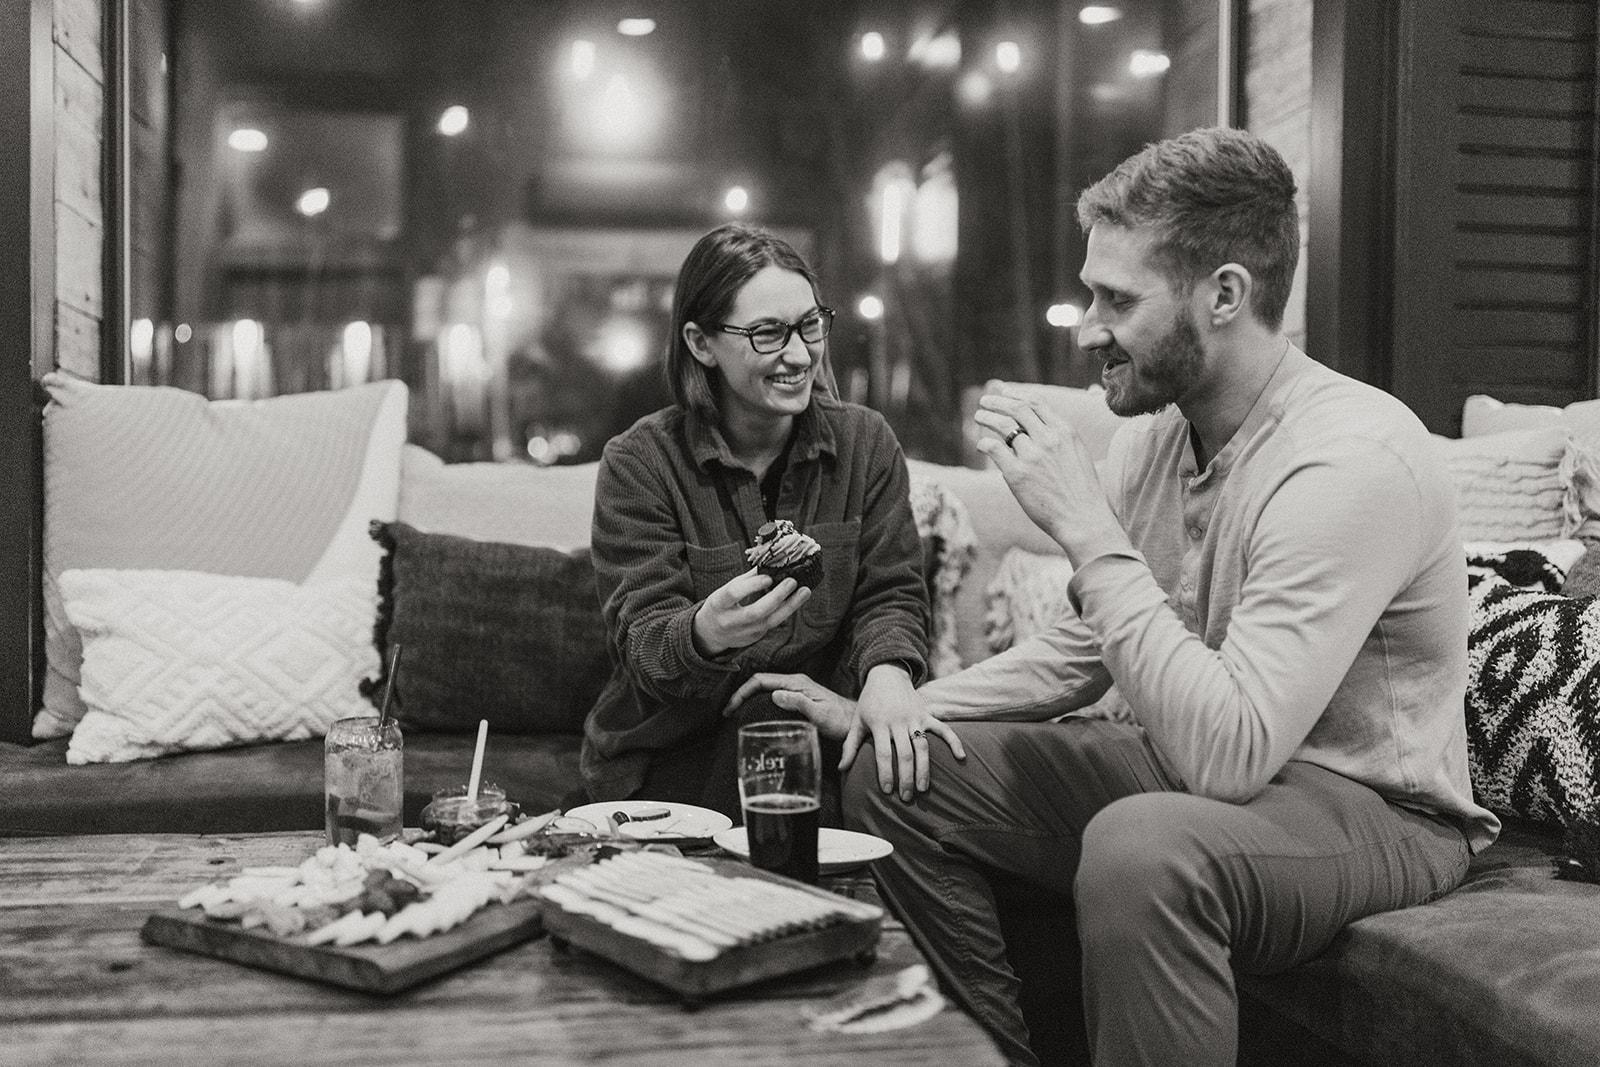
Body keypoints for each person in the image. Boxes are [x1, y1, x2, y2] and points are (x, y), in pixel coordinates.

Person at [732, 127, 1499, 1066]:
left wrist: (1086, 529)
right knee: (897, 768)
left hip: (1372, 805)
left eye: (1116, 299)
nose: (1088, 325)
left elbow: (1231, 752)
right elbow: (1078, 650)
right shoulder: (1158, 434)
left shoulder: (1349, 461)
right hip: (1198, 770)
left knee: (1146, 846)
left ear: (1224, 294)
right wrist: (897, 705)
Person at [580, 222, 962, 823]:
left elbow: (890, 593)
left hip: (815, 730)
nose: (799, 354)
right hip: (679, 745)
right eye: (767, 333)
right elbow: (642, 643)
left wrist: (889, 676)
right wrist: (706, 632)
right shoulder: (641, 462)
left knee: (806, 735)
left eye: (810, 325)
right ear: (702, 343)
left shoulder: (865, 444)